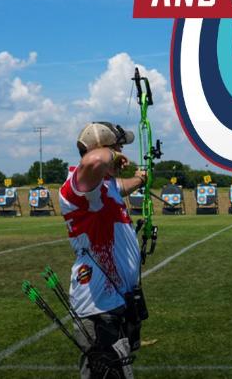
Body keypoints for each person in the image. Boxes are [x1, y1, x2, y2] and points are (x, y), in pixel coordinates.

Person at [59, 121, 148, 379]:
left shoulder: (105, 185)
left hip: (117, 299)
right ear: (103, 146)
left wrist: (140, 179)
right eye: (118, 146)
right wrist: (112, 155)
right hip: (99, 304)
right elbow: (95, 160)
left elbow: (122, 186)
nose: (121, 151)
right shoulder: (77, 186)